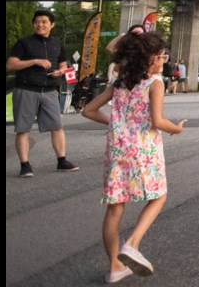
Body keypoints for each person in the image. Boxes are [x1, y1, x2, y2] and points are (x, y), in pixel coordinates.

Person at [80, 31, 186, 283]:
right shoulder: (155, 83)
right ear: (148, 58)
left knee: (115, 208)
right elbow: (158, 121)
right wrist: (178, 128)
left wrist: (117, 122)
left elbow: (88, 110)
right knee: (159, 196)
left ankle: (115, 267)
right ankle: (132, 244)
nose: (163, 61)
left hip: (117, 149)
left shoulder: (118, 83)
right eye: (160, 56)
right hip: (144, 149)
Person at [7, 9, 80, 178]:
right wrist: (35, 61)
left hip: (49, 90)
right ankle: (25, 165)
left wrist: (60, 72)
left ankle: (62, 161)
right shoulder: (24, 42)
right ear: (33, 24)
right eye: (37, 22)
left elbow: (63, 65)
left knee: (57, 127)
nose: (40, 25)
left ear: (52, 25)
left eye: (44, 22)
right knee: (23, 129)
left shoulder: (57, 43)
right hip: (26, 89)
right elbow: (10, 65)